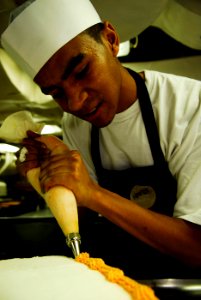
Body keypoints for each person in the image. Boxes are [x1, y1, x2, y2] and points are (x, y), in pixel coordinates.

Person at [1, 0, 201, 279]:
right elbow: (84, 223)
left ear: (111, 40)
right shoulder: (75, 125)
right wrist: (48, 181)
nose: (76, 102)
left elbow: (196, 249)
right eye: (56, 92)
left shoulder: (191, 106)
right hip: (120, 281)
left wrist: (92, 193)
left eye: (82, 72)